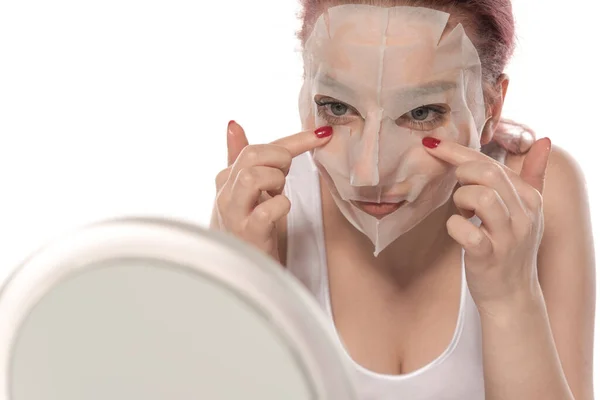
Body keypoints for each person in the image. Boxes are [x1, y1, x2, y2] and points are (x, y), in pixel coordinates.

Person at [211, 1, 595, 399]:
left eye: (422, 112)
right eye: (337, 107)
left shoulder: (538, 197)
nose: (370, 173)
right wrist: (252, 293)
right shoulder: (260, 211)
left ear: (491, 109)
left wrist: (511, 299)